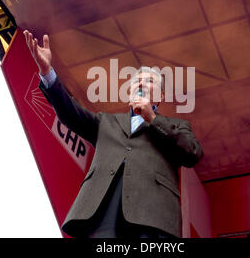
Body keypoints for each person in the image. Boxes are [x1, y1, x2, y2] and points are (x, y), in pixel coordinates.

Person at [23, 30, 204, 238]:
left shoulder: (177, 125)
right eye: (137, 81)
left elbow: (193, 153)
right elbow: (69, 112)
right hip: (102, 215)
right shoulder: (105, 121)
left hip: (153, 218)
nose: (141, 84)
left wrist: (153, 120)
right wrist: (47, 73)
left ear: (160, 96)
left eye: (149, 81)